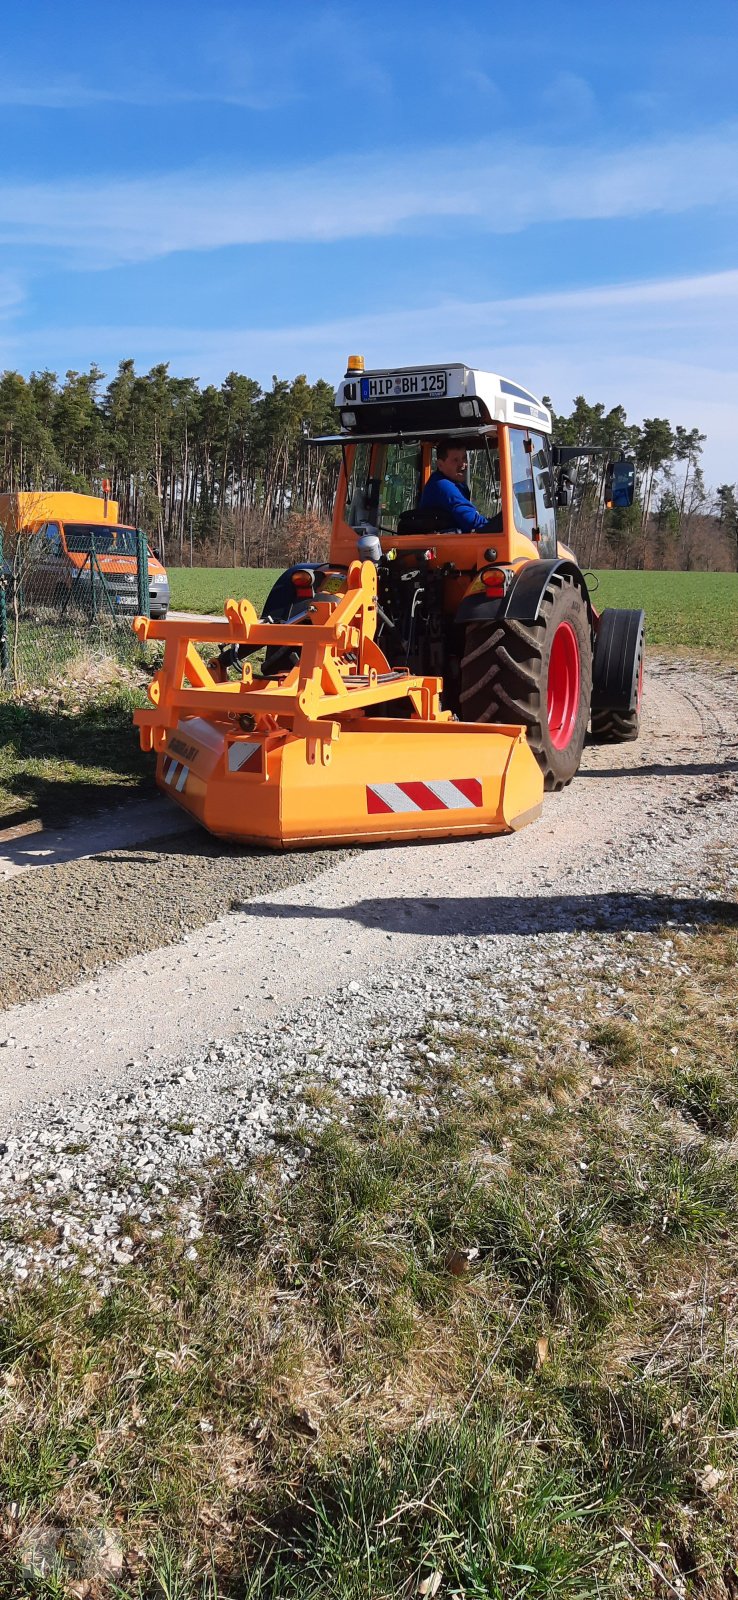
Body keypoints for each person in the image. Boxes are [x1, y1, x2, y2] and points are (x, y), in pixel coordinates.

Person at [419, 439, 500, 532]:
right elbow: (473, 522)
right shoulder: (443, 485)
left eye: (464, 458)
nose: (462, 464)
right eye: (455, 460)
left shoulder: (458, 484)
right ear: (440, 465)